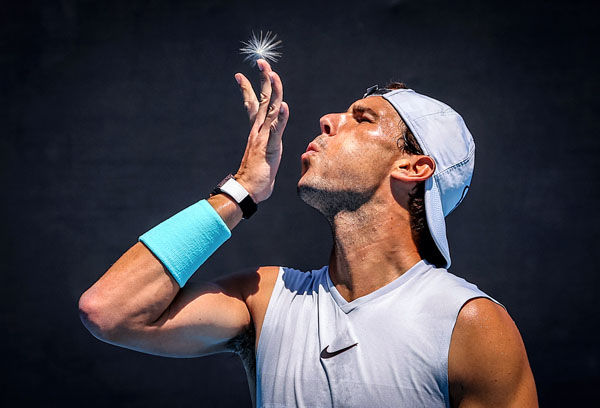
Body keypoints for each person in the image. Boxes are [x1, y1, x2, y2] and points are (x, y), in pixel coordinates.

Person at [79, 59, 538, 407]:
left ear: (413, 167)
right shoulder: (265, 299)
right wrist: (241, 190)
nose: (328, 120)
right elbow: (110, 311)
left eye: (362, 119)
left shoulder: (469, 323)